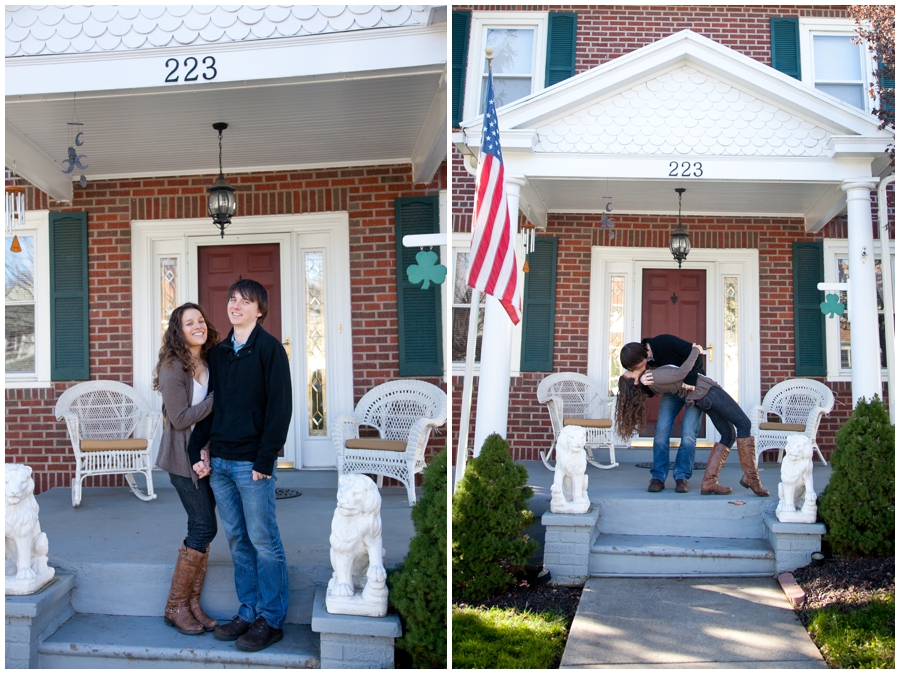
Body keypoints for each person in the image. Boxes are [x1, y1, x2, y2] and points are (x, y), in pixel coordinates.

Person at [187, 278, 292, 652]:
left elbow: (280, 408)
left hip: (252, 464)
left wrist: (266, 458)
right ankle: (247, 611)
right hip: (221, 463)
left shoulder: (269, 350)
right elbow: (215, 406)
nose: (236, 305)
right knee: (237, 540)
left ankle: (271, 618)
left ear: (259, 310)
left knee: (264, 540)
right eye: (232, 299)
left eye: (245, 301)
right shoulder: (219, 353)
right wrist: (200, 447)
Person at [615, 344, 769, 497]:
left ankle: (709, 481)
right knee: (744, 424)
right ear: (635, 382)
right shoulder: (651, 377)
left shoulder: (649, 376)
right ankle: (751, 477)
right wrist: (697, 350)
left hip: (700, 398)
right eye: (630, 371)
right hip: (707, 392)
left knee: (728, 435)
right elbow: (682, 373)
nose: (630, 369)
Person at [152, 302, 221, 635]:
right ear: (178, 331)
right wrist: (217, 399)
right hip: (181, 458)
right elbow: (179, 419)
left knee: (204, 527)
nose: (198, 326)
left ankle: (191, 603)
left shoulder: (208, 360)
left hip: (205, 454)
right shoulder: (172, 366)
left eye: (201, 320)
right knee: (203, 526)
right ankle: (175, 605)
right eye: (189, 322)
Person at [620, 334, 704, 493]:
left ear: (643, 357)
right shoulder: (645, 365)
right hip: (672, 393)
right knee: (661, 430)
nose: (635, 370)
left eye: (634, 366)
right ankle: (658, 476)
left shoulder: (664, 342)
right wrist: (643, 385)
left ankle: (681, 477)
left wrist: (691, 381)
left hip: (694, 390)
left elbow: (696, 353)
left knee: (688, 433)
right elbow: (654, 386)